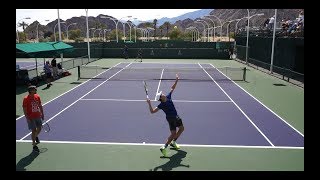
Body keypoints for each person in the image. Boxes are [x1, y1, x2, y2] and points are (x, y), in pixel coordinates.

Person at [146, 74, 184, 157]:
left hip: (172, 118)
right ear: (161, 98)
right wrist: (149, 103)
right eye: (161, 94)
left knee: (177, 131)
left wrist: (176, 80)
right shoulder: (162, 104)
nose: (162, 93)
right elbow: (152, 111)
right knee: (178, 130)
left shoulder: (167, 97)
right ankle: (170, 144)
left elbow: (172, 88)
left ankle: (168, 145)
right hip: (173, 118)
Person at [22, 85, 44, 152]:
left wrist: (42, 113)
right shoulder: (26, 99)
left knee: (39, 128)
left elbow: (40, 105)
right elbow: (24, 109)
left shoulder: (37, 96)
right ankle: (34, 145)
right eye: (34, 89)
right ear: (31, 91)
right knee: (33, 130)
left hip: (37, 115)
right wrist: (27, 117)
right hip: (31, 117)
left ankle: (35, 136)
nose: (36, 90)